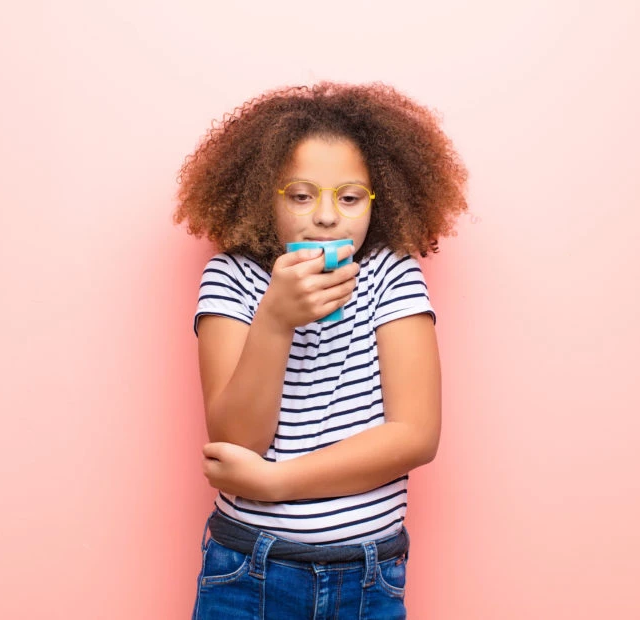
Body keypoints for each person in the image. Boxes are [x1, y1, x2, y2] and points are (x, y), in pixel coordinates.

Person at [173, 81, 468, 619]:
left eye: (350, 197)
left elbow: (416, 436)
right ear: (266, 196)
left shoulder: (391, 276)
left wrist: (275, 481)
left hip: (369, 574)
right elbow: (236, 439)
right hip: (249, 568)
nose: (328, 217)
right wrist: (275, 318)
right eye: (302, 195)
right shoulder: (231, 278)